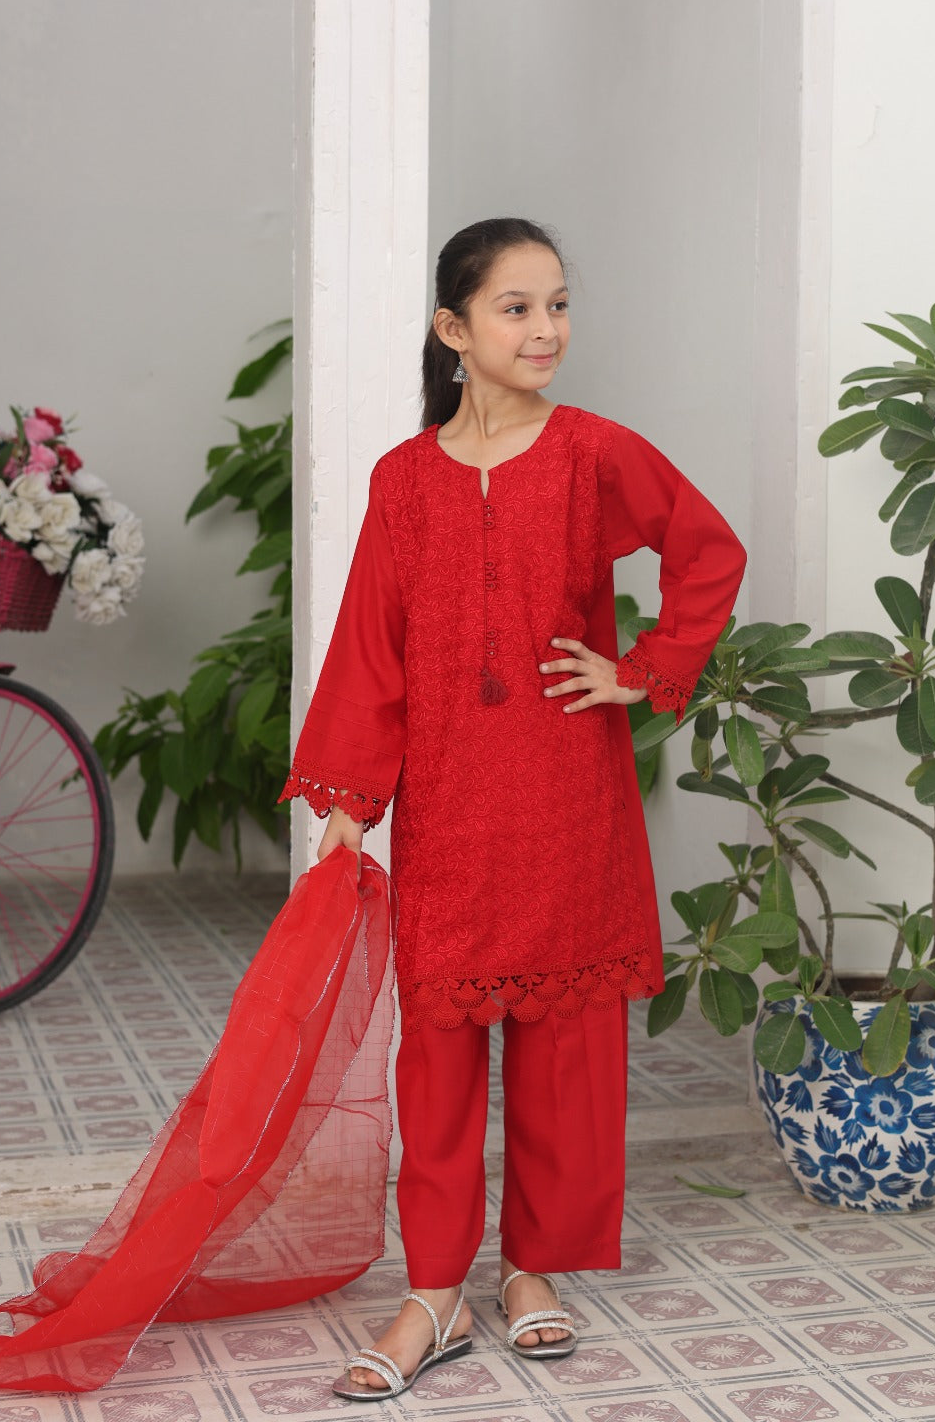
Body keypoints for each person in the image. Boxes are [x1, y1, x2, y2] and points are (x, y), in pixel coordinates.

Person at [281, 216, 747, 1400]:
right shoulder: (402, 480)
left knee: (562, 1053)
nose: (546, 330)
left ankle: (533, 1268)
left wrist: (637, 670)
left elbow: (706, 551)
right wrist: (349, 798)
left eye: (557, 305)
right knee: (437, 1054)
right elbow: (371, 651)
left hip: (565, 796)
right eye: (516, 308)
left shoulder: (595, 454)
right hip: (448, 805)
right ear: (454, 329)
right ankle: (433, 1289)